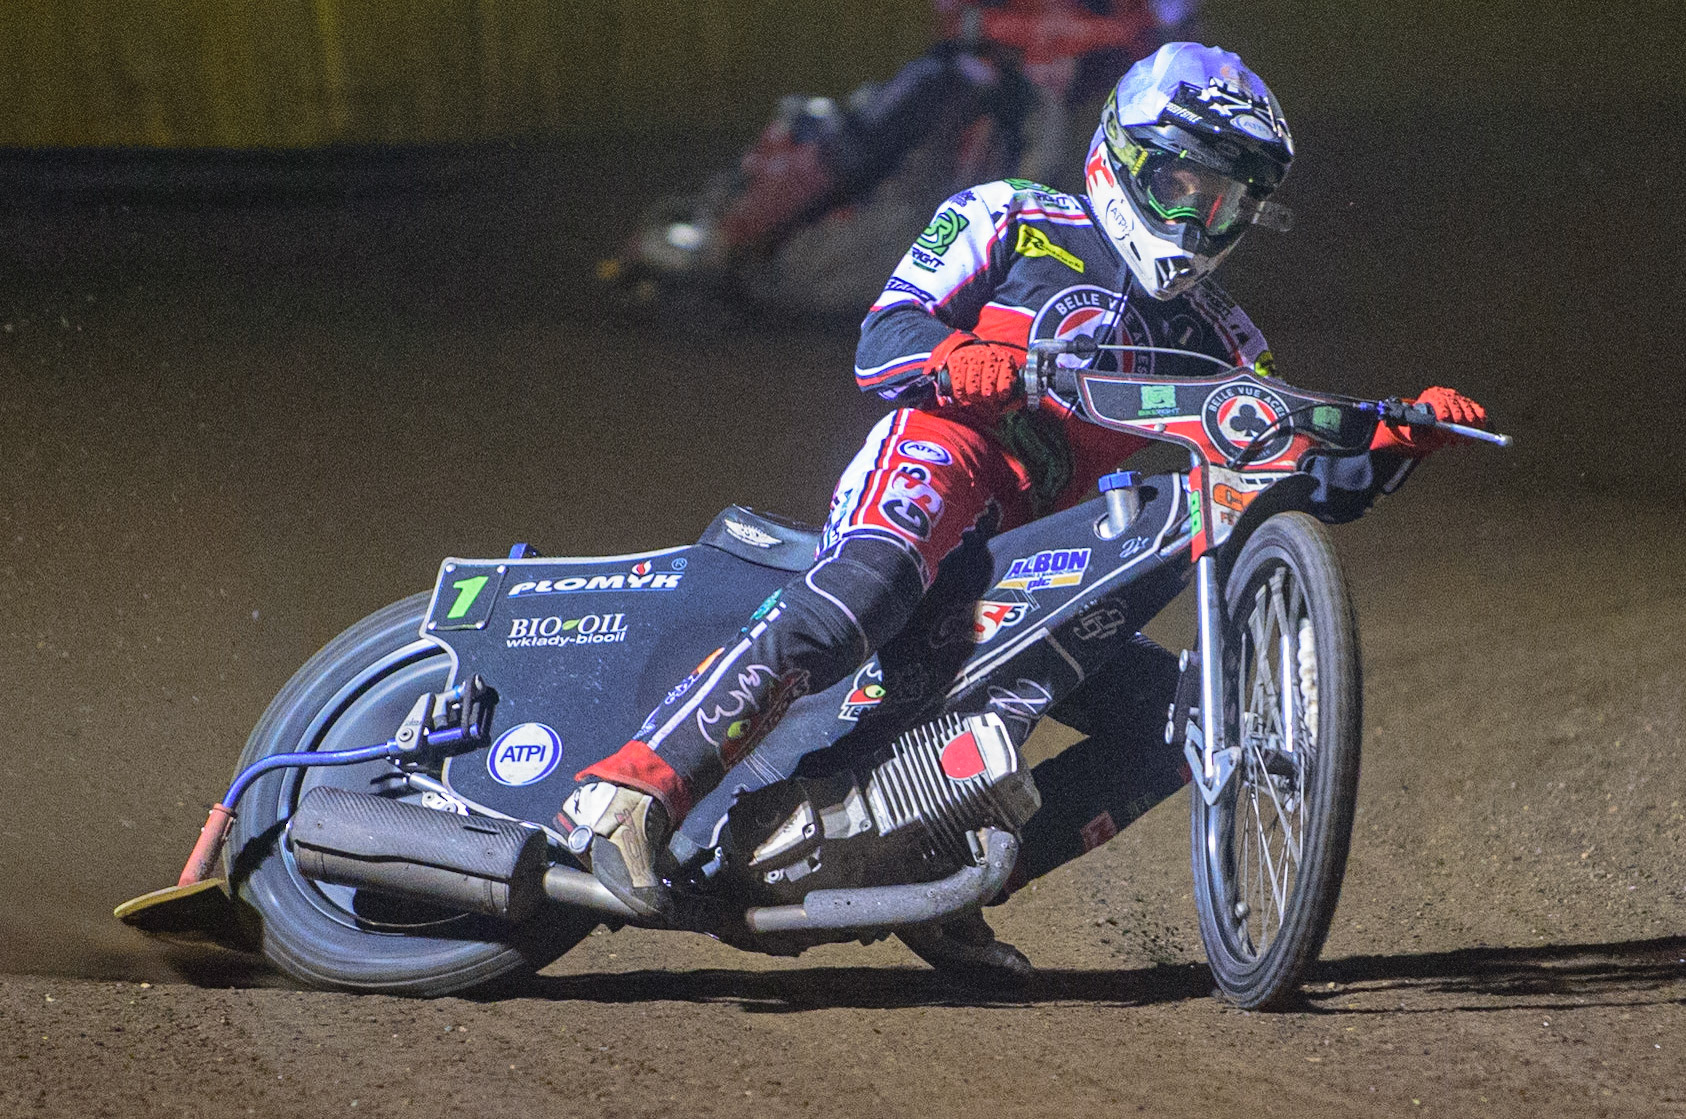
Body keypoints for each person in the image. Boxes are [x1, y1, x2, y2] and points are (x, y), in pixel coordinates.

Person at [564, 43, 1488, 974]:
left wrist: (1390, 446)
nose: (1201, 219)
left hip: (1033, 558)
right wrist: (955, 362)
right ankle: (634, 791)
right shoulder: (1007, 215)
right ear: (1122, 156)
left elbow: (1286, 467)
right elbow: (882, 338)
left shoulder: (1219, 336)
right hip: (944, 456)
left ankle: (949, 877)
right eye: (1182, 186)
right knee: (869, 581)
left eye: (1228, 202)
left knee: (1184, 719)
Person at [630, 0, 1197, 283]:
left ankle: (738, 238)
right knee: (918, 94)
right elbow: (958, 20)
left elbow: (1159, 28)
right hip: (1010, 87)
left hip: (1099, 101)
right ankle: (741, 233)